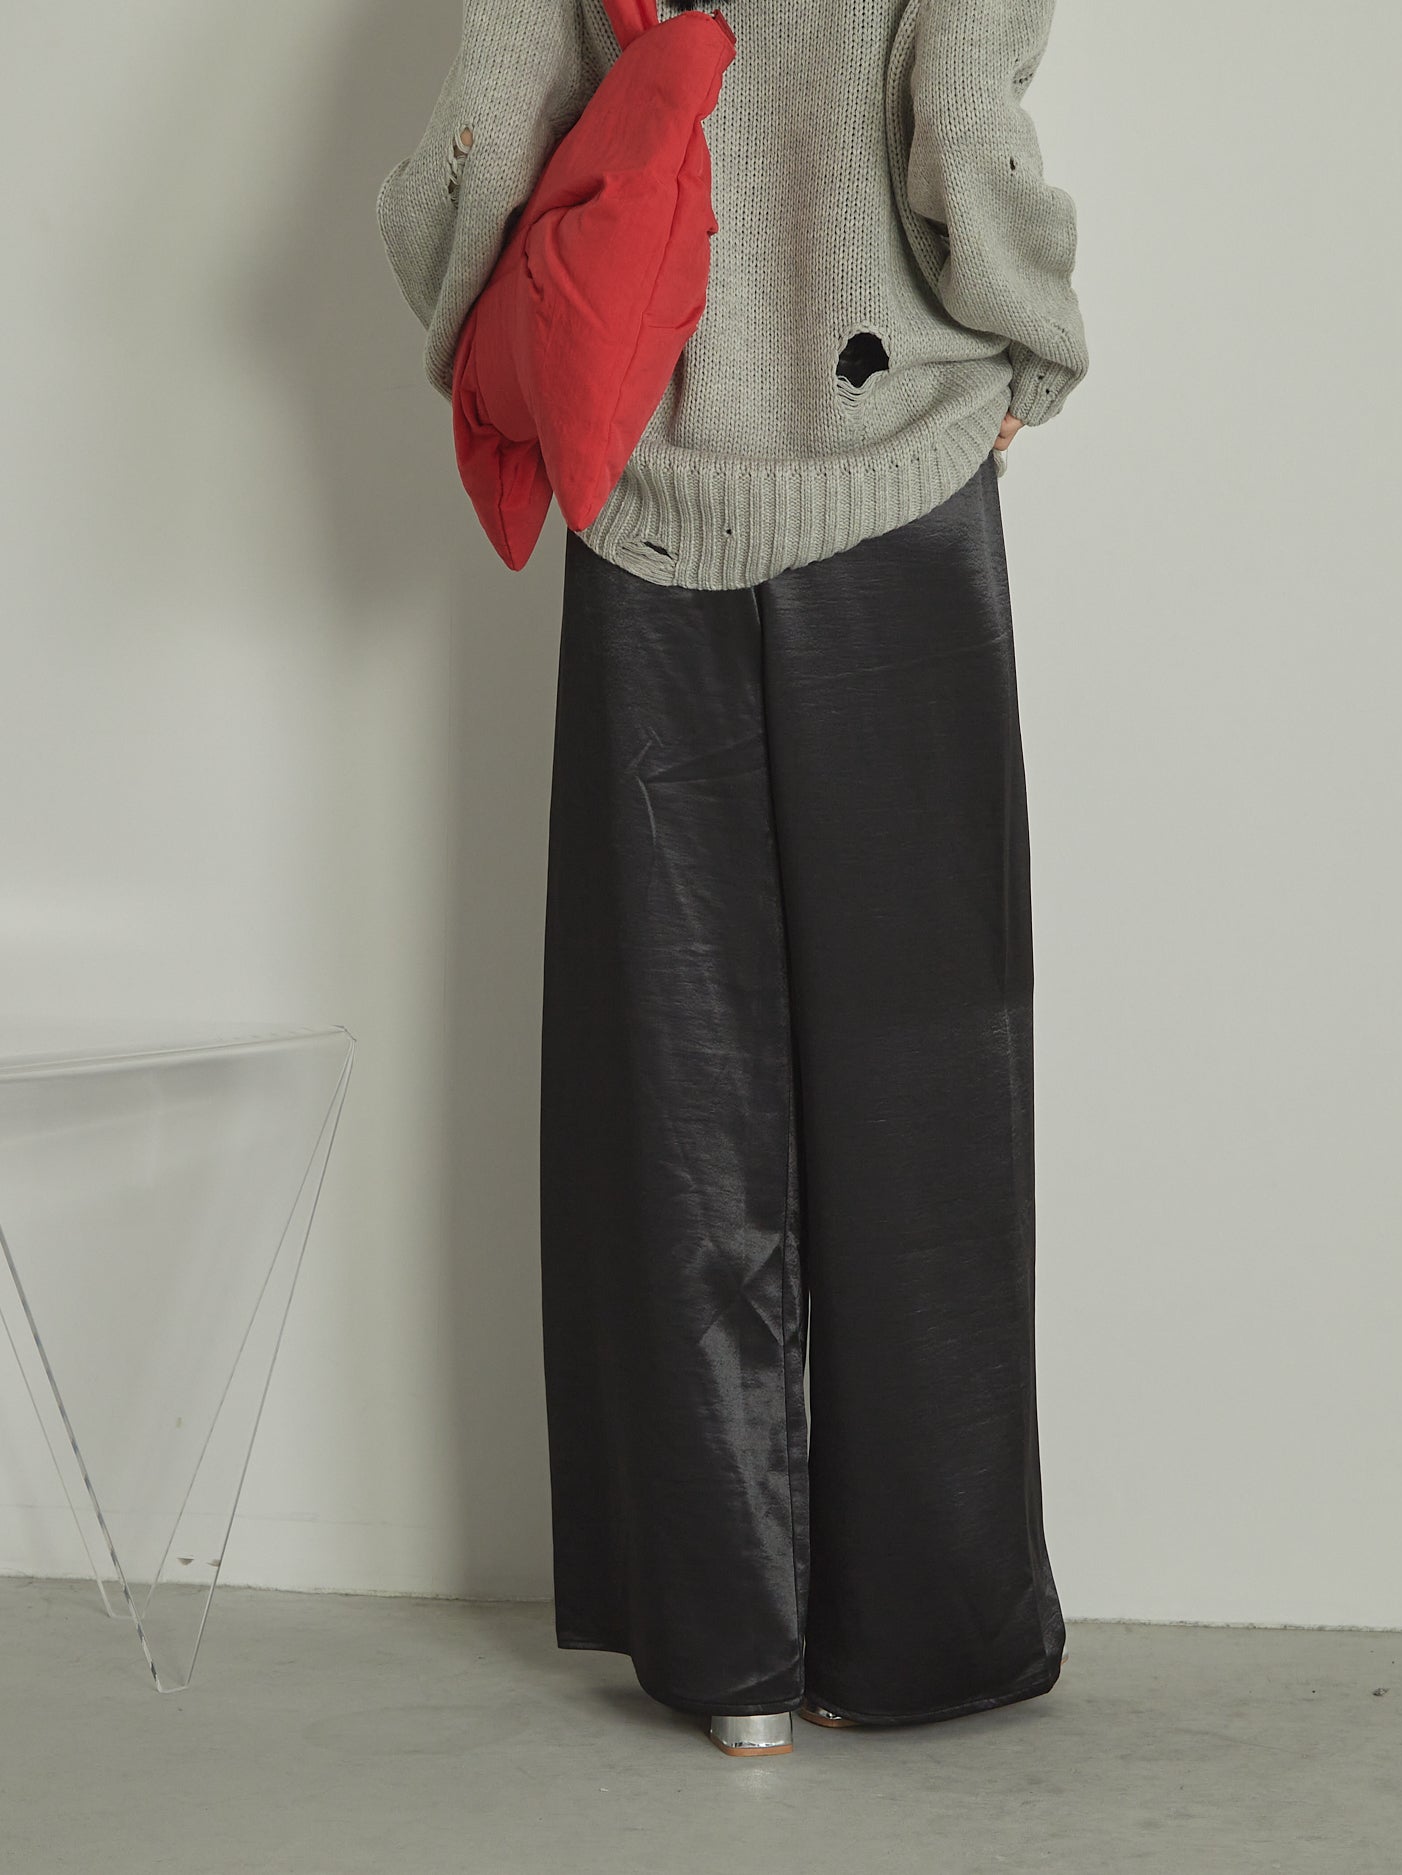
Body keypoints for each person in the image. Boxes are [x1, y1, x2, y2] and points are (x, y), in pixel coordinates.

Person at [376, 0, 1088, 1759]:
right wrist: (1027, 339)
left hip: (651, 477)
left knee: (677, 1079)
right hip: (900, 467)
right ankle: (911, 1641)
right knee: (927, 1083)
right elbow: (962, 112)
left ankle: (730, 1659)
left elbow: (488, 120)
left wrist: (486, 336)